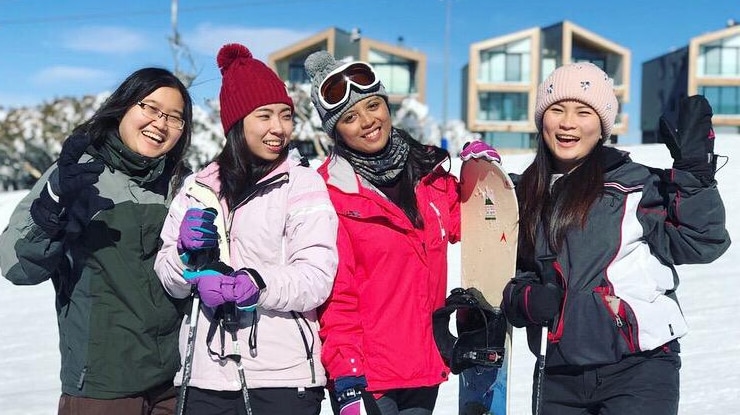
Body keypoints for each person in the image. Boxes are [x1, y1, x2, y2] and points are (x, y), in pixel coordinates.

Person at [501, 62, 731, 415]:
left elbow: (701, 241)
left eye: (584, 112)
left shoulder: (637, 185)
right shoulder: (524, 193)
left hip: (639, 367)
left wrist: (696, 173)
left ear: (602, 124)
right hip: (558, 371)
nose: (568, 123)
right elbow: (513, 273)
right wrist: (525, 299)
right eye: (557, 109)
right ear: (540, 119)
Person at [303, 51, 500, 415]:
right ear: (335, 131)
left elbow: (471, 226)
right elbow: (338, 298)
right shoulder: (329, 194)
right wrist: (346, 375)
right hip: (368, 376)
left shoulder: (430, 175)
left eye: (373, 105)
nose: (367, 121)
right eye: (349, 117)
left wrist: (484, 180)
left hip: (424, 363)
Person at [154, 43, 339, 415]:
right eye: (265, 116)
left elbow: (317, 276)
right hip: (205, 376)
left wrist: (257, 283)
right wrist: (184, 257)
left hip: (283, 378)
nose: (279, 128)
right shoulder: (197, 188)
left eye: (286, 115)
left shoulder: (301, 184)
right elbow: (166, 274)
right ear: (237, 122)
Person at [0, 67, 194, 414]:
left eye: (174, 117)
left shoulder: (180, 185)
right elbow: (15, 265)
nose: (160, 123)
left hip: (173, 383)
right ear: (122, 107)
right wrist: (53, 208)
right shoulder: (77, 175)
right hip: (102, 387)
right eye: (149, 107)